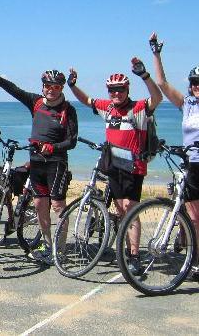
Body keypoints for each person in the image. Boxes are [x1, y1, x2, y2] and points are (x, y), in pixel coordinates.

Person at [68, 57, 163, 275]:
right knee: (120, 210)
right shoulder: (107, 107)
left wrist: (144, 75)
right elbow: (87, 100)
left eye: (120, 90)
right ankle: (124, 248)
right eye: (112, 90)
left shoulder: (139, 108)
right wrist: (73, 85)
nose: (116, 94)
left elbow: (157, 97)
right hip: (114, 165)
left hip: (133, 167)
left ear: (127, 89)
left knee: (131, 210)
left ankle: (135, 256)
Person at [0, 56, 78, 264]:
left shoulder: (67, 110)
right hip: (36, 162)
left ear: (61, 88)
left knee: (58, 206)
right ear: (42, 87)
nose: (51, 89)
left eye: (55, 86)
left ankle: (60, 250)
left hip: (56, 164)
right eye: (47, 86)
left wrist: (54, 147)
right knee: (39, 204)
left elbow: (72, 141)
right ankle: (47, 244)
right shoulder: (35, 102)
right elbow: (13, 89)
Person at [149, 32, 199, 278]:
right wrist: (156, 54)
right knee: (193, 215)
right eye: (194, 82)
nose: (197, 86)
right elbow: (162, 84)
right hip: (191, 164)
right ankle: (194, 256)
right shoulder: (187, 104)